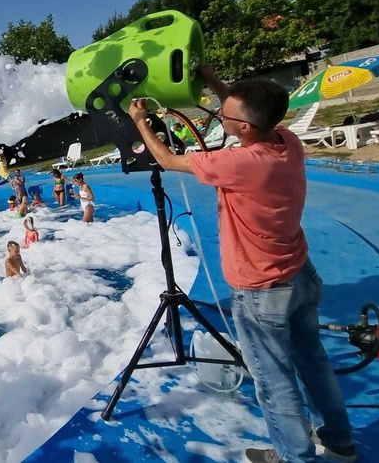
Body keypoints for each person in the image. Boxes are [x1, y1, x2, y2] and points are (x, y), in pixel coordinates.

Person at [128, 65, 355, 463]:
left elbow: (167, 159)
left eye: (226, 114)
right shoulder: (286, 140)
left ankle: (294, 457)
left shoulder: (238, 163)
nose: (219, 114)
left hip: (261, 290)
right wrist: (213, 80)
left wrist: (140, 122)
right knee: (313, 363)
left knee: (274, 380)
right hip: (300, 274)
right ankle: (339, 443)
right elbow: (245, 109)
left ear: (245, 128)